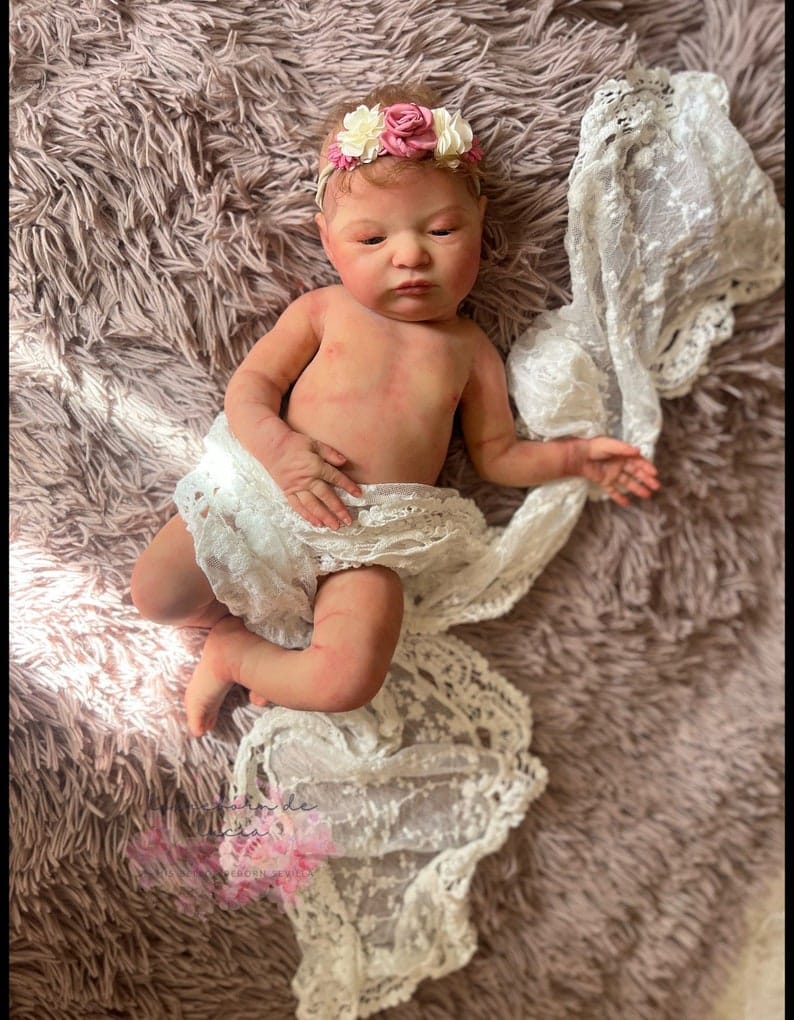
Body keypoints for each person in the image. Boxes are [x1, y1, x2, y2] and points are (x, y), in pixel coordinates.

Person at [130, 83, 660, 738]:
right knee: (155, 594)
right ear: (328, 241)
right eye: (372, 238)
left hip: (371, 537)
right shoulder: (323, 311)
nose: (410, 255)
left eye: (441, 230)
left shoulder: (470, 351)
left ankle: (237, 654)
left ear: (480, 223)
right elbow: (250, 388)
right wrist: (278, 449)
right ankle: (247, 634)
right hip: (265, 490)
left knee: (347, 680)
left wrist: (576, 457)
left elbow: (498, 456)